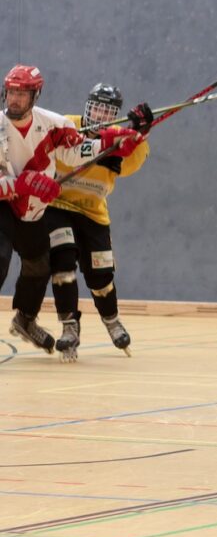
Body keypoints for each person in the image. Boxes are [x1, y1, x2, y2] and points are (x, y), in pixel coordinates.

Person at [0, 65, 142, 354]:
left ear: (35, 95)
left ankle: (25, 320)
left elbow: (74, 151)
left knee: (39, 265)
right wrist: (26, 183)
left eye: (21, 94)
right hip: (4, 207)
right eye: (11, 92)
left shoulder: (54, 124)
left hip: (32, 213)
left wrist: (110, 143)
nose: (14, 99)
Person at [47, 83, 153, 362]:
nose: (100, 115)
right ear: (87, 106)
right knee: (62, 258)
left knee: (101, 273)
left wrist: (140, 134)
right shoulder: (67, 125)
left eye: (108, 111)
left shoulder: (120, 138)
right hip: (58, 205)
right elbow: (56, 152)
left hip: (93, 212)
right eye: (96, 108)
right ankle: (69, 325)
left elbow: (131, 161)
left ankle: (111, 319)